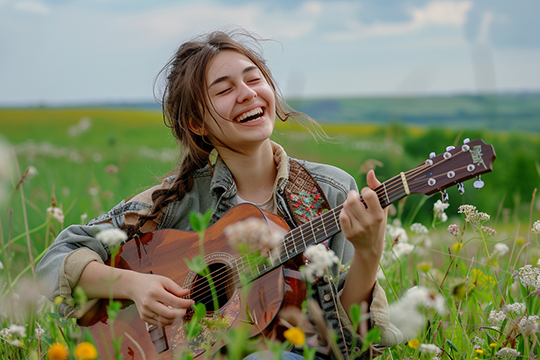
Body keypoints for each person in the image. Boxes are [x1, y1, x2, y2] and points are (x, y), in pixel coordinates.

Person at [36, 29, 402, 359]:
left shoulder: (331, 191)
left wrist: (369, 253)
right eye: (224, 90)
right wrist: (135, 285)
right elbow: (54, 262)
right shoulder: (175, 201)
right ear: (197, 124)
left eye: (254, 79)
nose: (247, 94)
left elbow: (350, 344)